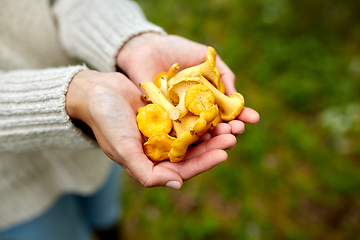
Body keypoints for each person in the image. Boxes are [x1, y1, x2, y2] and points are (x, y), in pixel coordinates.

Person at [0, 0, 260, 239]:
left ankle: (111, 228)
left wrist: (132, 40)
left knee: (106, 210)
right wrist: (74, 96)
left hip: (94, 146)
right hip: (12, 188)